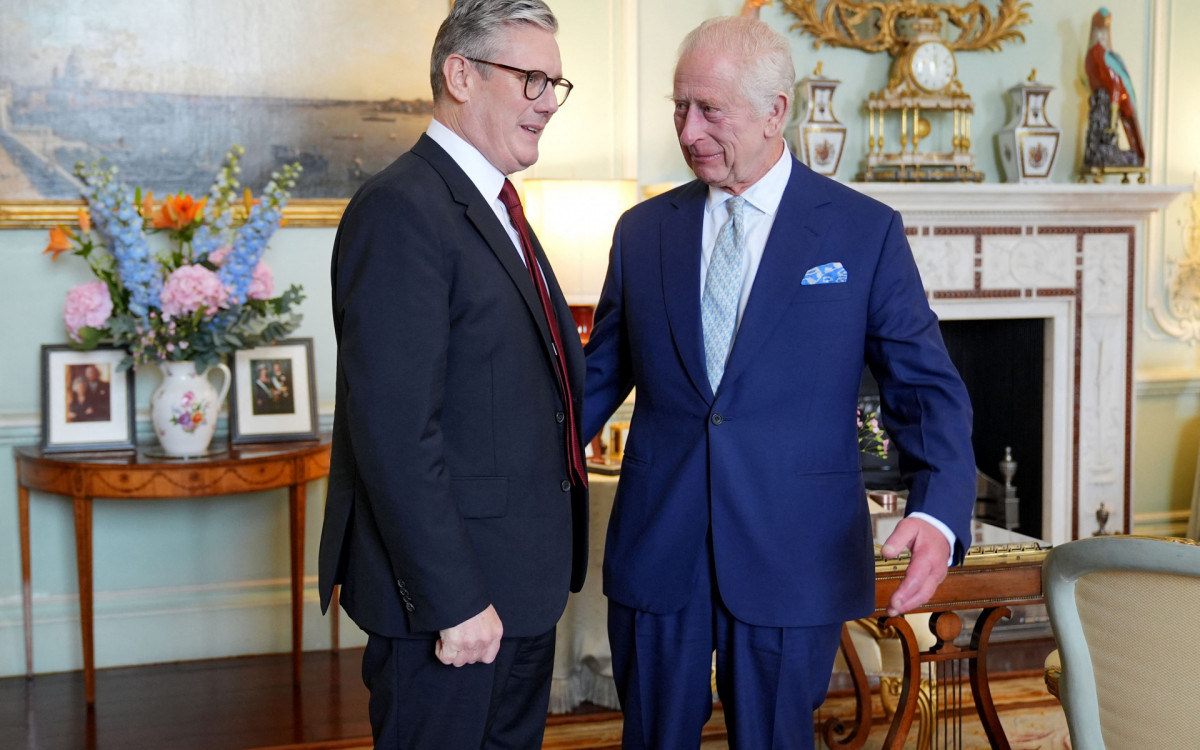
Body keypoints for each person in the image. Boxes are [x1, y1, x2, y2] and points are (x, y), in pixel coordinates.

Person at [582, 16, 976, 749]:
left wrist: (939, 510)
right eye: (679, 107)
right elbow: (593, 381)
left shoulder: (863, 232)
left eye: (710, 110)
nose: (688, 129)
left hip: (796, 552)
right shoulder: (642, 232)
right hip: (658, 547)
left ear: (776, 112)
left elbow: (926, 387)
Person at [317, 1, 588, 748]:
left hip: (518, 593)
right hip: (454, 608)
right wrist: (455, 600)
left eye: (555, 85)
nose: (547, 103)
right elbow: (395, 432)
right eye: (532, 78)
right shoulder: (403, 208)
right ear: (460, 74)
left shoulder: (497, 204)